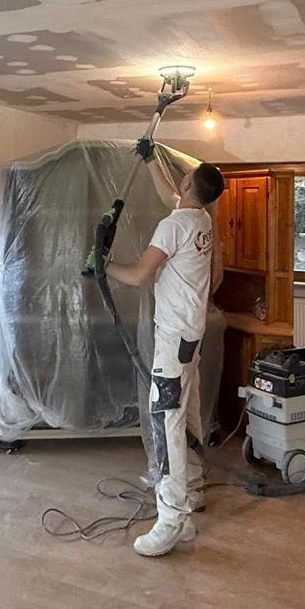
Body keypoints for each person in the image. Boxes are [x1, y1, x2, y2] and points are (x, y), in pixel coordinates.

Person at [104, 161, 226, 556]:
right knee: (186, 414)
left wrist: (103, 266)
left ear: (188, 182)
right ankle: (191, 494)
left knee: (166, 420)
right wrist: (151, 159)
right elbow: (172, 195)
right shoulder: (200, 220)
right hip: (191, 335)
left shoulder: (173, 226)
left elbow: (139, 275)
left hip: (174, 338)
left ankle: (170, 518)